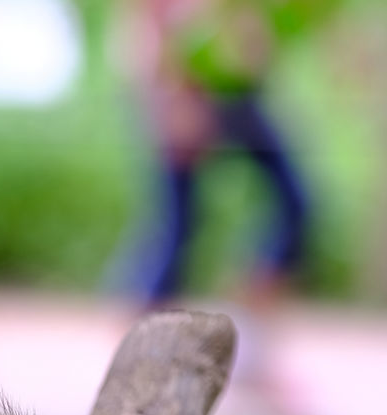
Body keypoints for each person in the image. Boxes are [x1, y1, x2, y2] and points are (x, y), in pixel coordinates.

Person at [122, 0, 310, 312]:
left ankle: (255, 292)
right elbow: (146, 25)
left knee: (295, 202)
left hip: (237, 89)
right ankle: (145, 319)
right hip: (185, 91)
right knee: (179, 224)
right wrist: (169, 99)